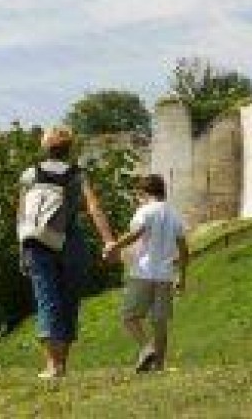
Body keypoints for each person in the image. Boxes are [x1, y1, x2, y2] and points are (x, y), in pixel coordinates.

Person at [17, 126, 115, 379]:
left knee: (47, 299)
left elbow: (22, 216)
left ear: (45, 148)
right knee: (69, 301)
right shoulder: (78, 175)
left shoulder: (29, 175)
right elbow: (94, 208)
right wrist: (108, 241)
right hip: (72, 243)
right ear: (69, 149)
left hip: (38, 243)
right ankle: (62, 363)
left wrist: (23, 249)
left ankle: (53, 365)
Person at [103, 174, 190, 373]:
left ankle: (146, 348)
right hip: (166, 275)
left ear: (143, 193)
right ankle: (159, 365)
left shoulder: (145, 211)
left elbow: (136, 234)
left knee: (129, 316)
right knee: (160, 321)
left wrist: (114, 246)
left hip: (142, 271)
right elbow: (184, 250)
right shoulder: (174, 214)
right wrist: (182, 277)